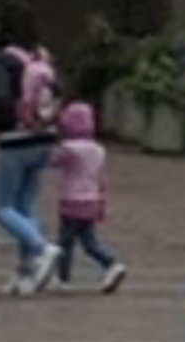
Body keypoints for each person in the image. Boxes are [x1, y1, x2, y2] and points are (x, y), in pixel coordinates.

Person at [0, 33, 63, 288]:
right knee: (25, 205)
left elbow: (0, 99)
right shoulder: (42, 56)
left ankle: (41, 248)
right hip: (44, 138)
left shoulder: (5, 60)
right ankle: (27, 270)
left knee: (2, 208)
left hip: (15, 140)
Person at [47, 97, 127, 290]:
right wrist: (102, 202)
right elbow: (101, 178)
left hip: (70, 201)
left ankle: (62, 278)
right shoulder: (98, 150)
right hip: (92, 200)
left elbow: (53, 161)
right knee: (89, 241)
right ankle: (110, 263)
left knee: (65, 241)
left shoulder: (69, 149)